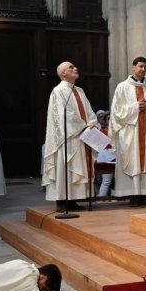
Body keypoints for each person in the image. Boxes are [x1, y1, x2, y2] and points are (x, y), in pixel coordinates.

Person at [110, 56, 146, 207]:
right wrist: (135, 107)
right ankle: (133, 195)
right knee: (133, 161)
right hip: (130, 133)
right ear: (133, 67)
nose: (142, 69)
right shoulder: (122, 87)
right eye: (140, 66)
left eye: (145, 67)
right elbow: (116, 112)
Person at [43, 61, 98, 210]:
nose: (75, 68)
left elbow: (89, 111)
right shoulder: (58, 91)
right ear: (63, 73)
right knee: (66, 167)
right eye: (71, 67)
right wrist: (83, 126)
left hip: (82, 136)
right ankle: (62, 200)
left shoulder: (79, 90)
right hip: (67, 138)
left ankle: (73, 199)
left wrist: (92, 123)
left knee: (77, 167)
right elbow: (62, 115)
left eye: (75, 66)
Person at [95, 109, 116, 197]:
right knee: (107, 180)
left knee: (116, 181)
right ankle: (101, 200)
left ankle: (115, 199)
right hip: (106, 157)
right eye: (108, 118)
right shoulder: (102, 132)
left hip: (116, 156)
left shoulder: (116, 131)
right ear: (105, 120)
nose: (110, 120)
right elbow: (101, 145)